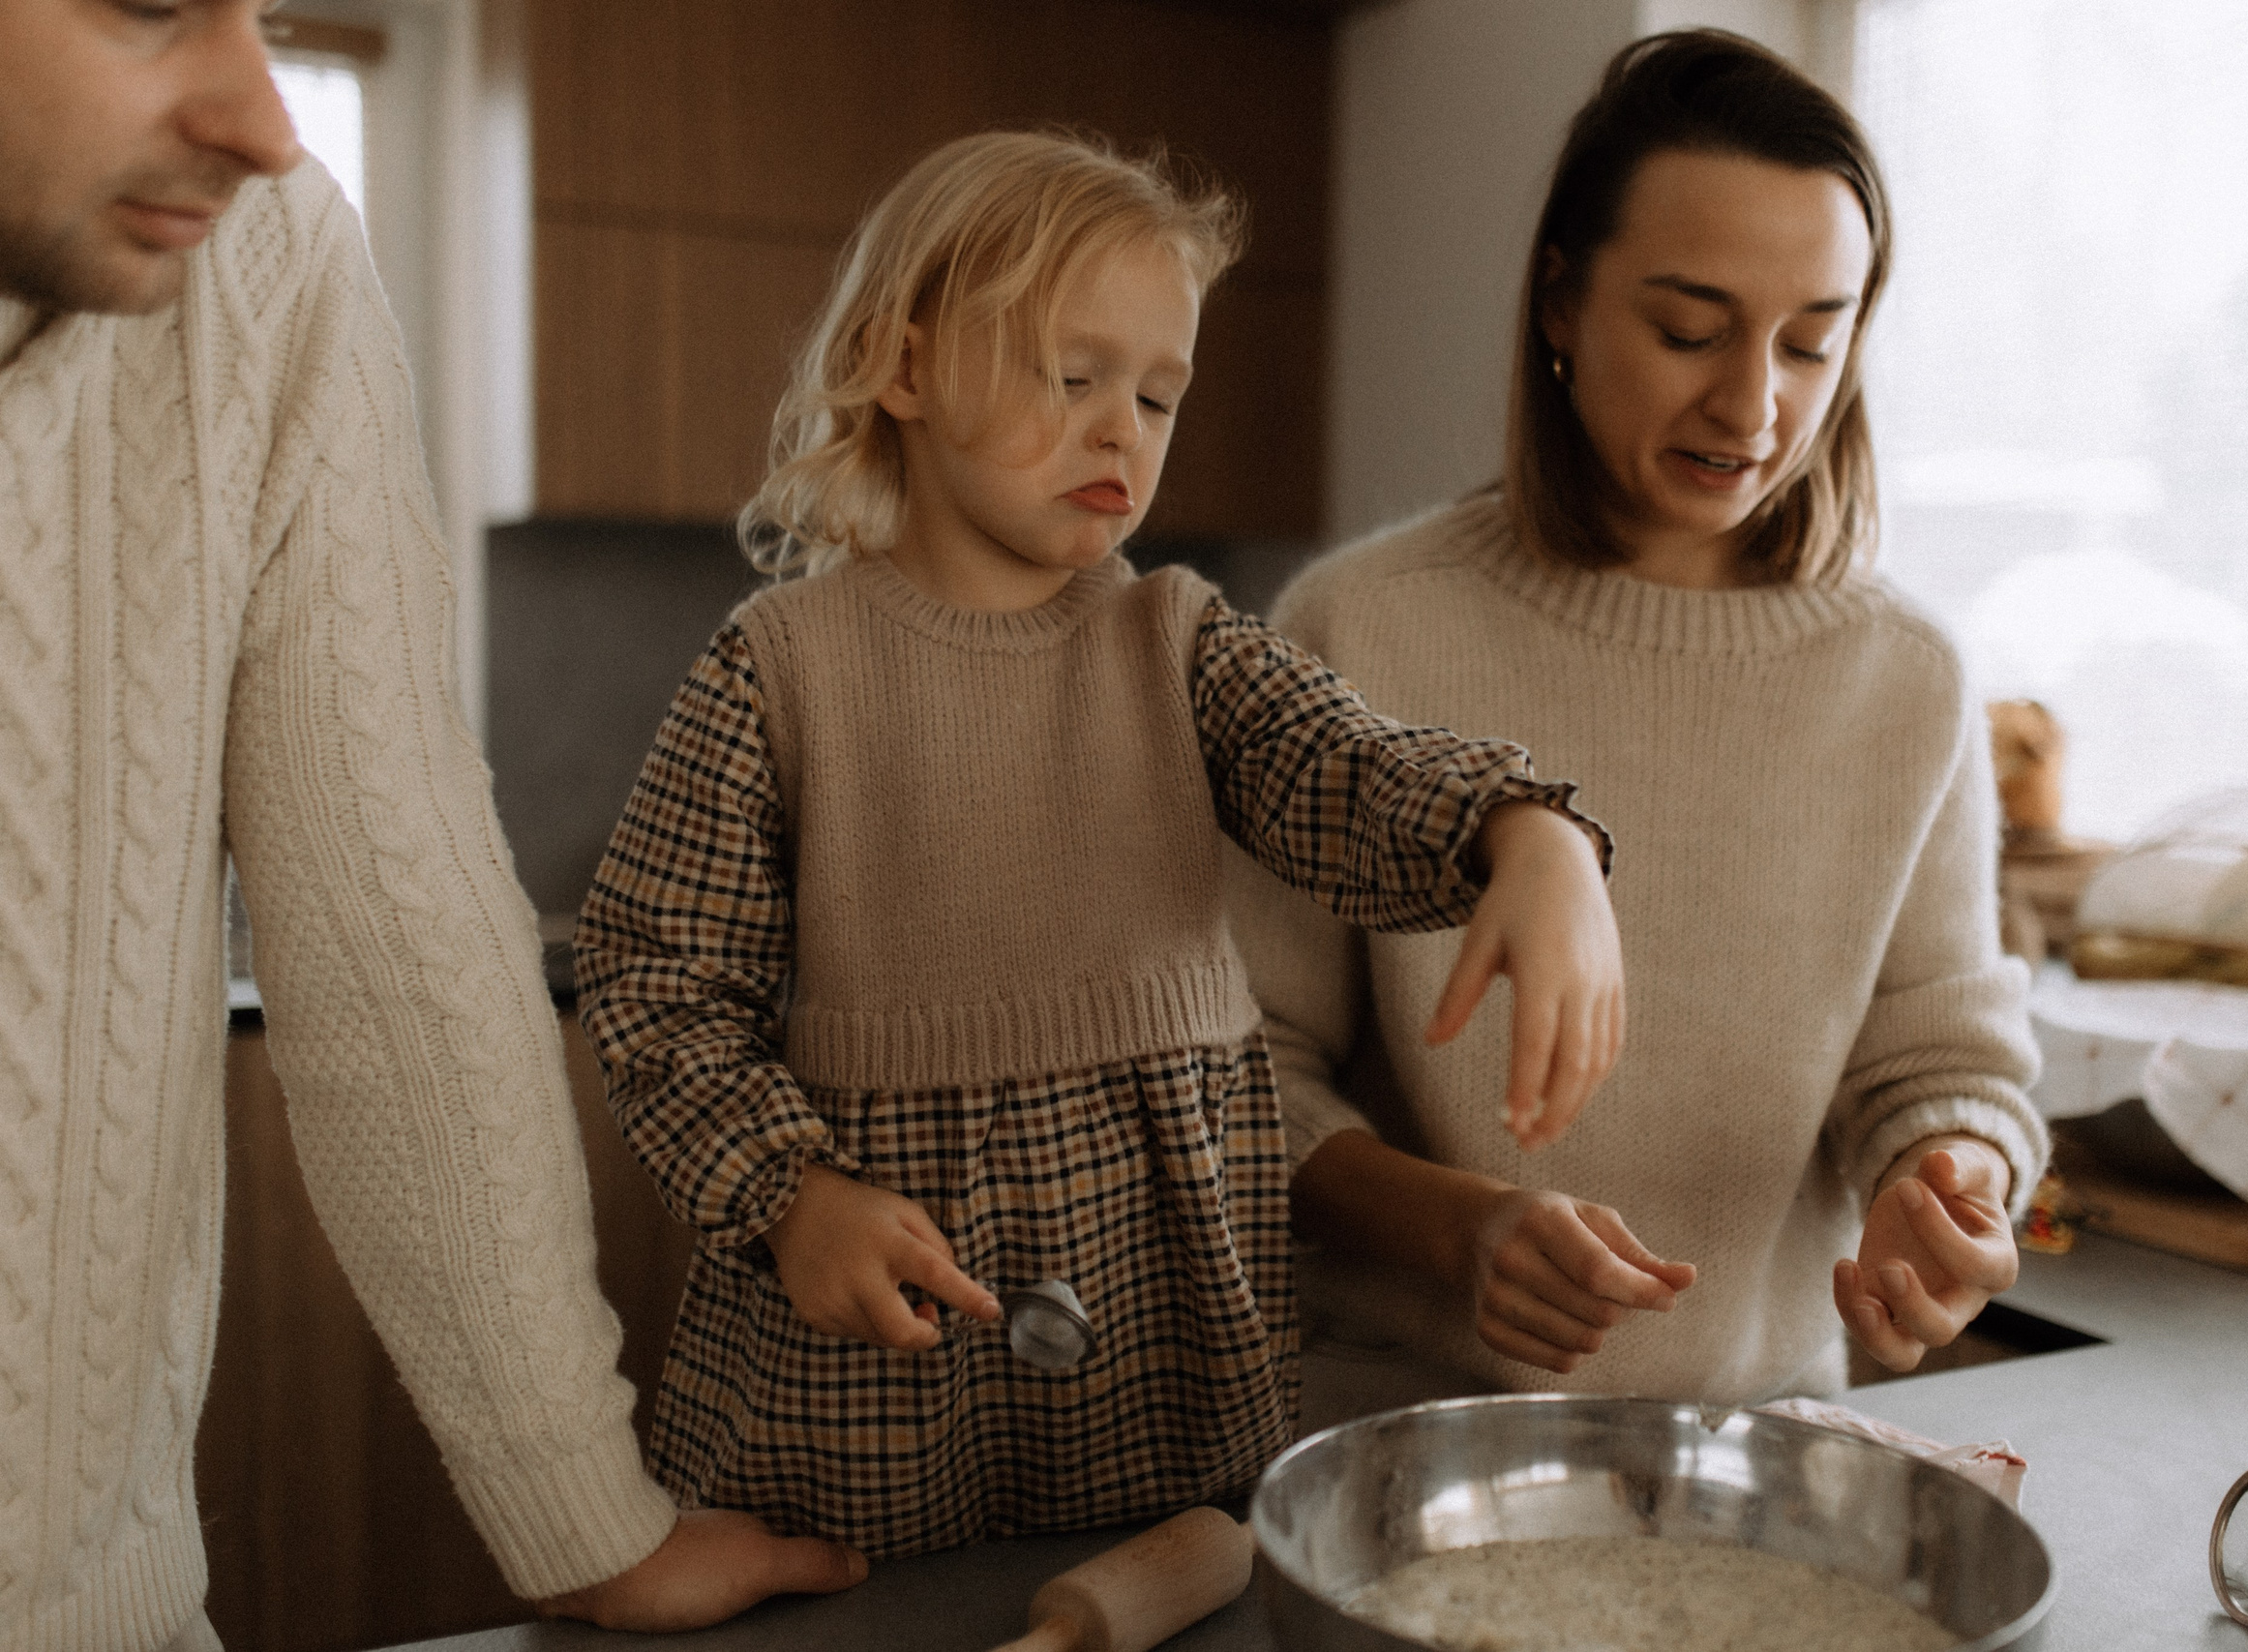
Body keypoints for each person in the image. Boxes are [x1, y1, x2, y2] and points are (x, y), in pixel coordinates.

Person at [572, 129, 1625, 1559]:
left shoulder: (1178, 642)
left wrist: (1529, 833)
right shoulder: (779, 669)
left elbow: (1349, 770)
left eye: (1158, 392)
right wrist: (792, 1196)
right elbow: (651, 980)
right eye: (1074, 378)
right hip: (875, 1376)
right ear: (905, 365)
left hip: (1163, 1352)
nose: (1124, 427)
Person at [0, 1, 857, 1641]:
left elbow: (398, 944)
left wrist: (583, 1512)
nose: (264, 115)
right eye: (149, 5)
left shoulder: (266, 269)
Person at [1226, 29, 2048, 1427]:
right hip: (1388, 1431)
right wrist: (1449, 1226)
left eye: (1812, 340)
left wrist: (1953, 1178)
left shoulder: (1906, 680)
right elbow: (1232, 1075)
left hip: (1757, 1444)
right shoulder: (1359, 630)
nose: (1753, 404)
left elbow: (1941, 1062)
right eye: (1689, 328)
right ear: (1559, 299)